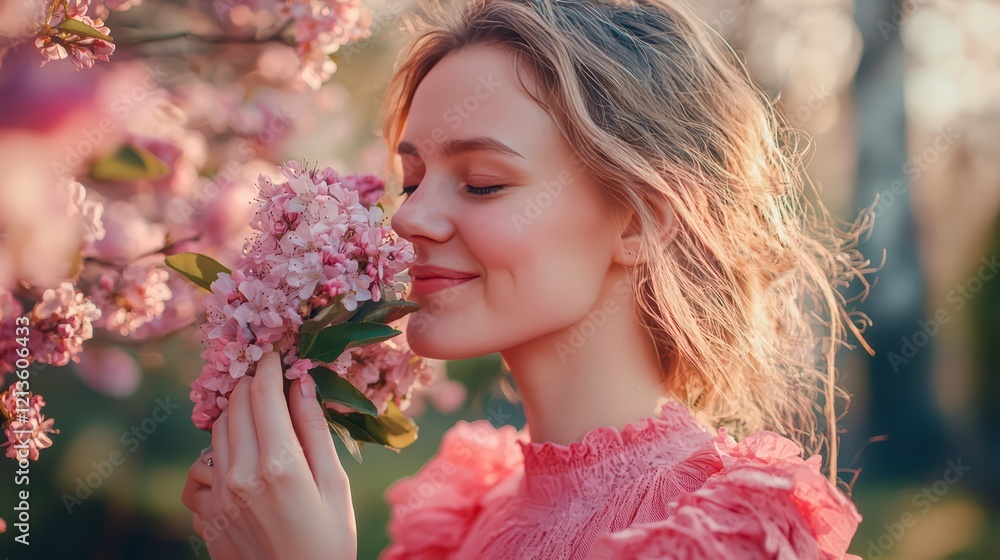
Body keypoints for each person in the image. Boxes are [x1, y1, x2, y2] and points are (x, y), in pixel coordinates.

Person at [182, 0, 876, 558]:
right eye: (412, 179)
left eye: (482, 183)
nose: (408, 219)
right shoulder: (457, 525)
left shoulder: (725, 537)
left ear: (641, 223)